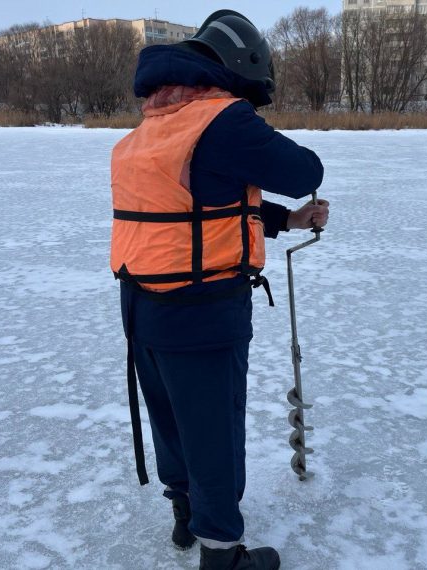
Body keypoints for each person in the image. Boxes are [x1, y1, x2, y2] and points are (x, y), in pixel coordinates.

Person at [110, 10, 328, 570]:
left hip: (142, 306)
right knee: (213, 432)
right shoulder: (222, 118)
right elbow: (304, 171)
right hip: (202, 310)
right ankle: (222, 554)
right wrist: (254, 126)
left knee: (172, 421)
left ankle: (185, 516)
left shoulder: (156, 121)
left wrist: (286, 222)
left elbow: (201, 204)